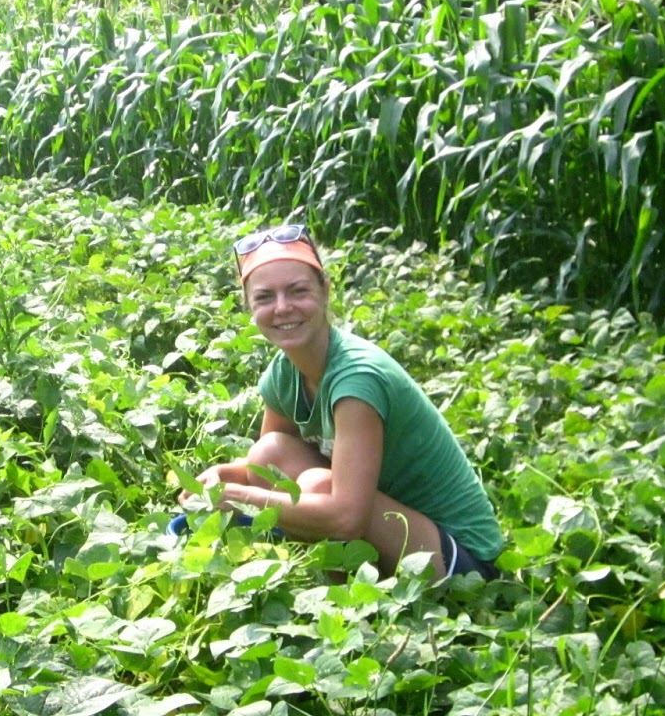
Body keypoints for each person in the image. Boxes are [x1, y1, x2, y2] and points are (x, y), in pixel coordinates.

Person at [188, 223, 503, 579]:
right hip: (396, 527)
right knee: (269, 453)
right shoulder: (283, 373)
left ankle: (346, 598)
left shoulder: (357, 380)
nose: (282, 308)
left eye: (297, 291)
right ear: (249, 306)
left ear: (325, 291)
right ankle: (342, 589)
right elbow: (263, 469)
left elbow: (346, 517)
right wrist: (220, 478)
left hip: (462, 562)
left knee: (317, 489)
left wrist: (239, 496)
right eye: (264, 297)